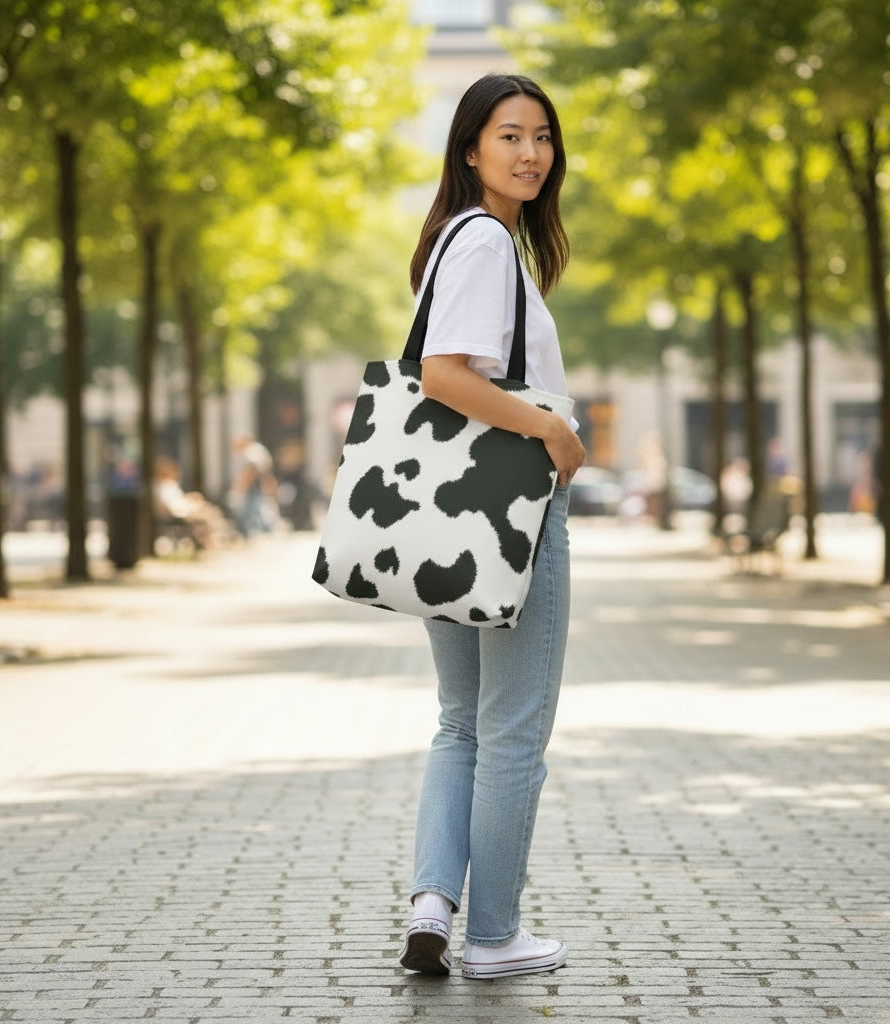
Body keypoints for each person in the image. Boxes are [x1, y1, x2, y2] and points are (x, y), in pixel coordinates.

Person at [397, 73, 585, 981]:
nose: (531, 153)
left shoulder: (464, 240)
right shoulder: (482, 243)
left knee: (463, 723)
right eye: (510, 135)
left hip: (449, 520)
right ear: (470, 148)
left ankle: (436, 901)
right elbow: (442, 373)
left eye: (543, 137)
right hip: (505, 518)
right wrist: (550, 426)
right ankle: (494, 937)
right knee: (511, 730)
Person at [231, 435, 277, 537]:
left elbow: (251, 471)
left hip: (255, 483)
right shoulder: (257, 450)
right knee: (257, 506)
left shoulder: (252, 451)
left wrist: (241, 487)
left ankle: (259, 530)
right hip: (258, 482)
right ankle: (265, 529)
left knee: (252, 507)